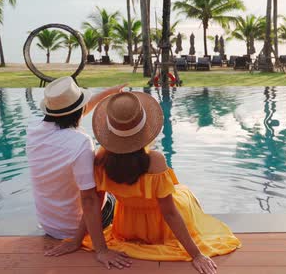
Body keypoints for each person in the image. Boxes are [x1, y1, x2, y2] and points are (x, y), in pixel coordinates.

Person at [47, 91, 241, 274]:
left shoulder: (100, 158)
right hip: (161, 229)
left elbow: (93, 203)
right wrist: (196, 254)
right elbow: (170, 213)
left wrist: (86, 244)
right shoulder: (155, 161)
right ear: (144, 127)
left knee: (178, 192)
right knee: (184, 192)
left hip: (127, 227)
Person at [26, 77, 130, 268]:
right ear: (78, 112)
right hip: (73, 228)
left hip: (49, 223)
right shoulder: (80, 142)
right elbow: (90, 199)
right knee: (107, 186)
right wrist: (101, 250)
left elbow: (75, 113)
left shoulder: (33, 131)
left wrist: (109, 91)